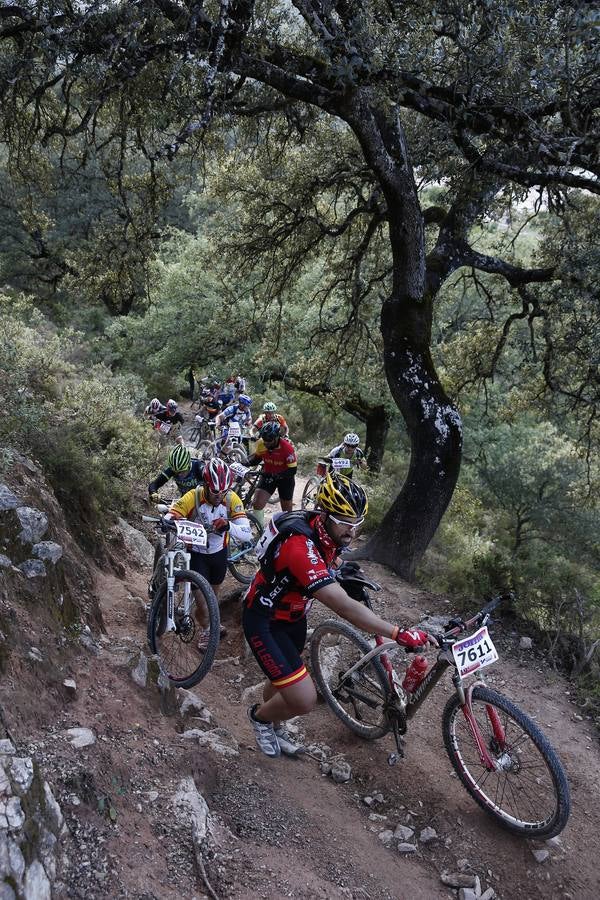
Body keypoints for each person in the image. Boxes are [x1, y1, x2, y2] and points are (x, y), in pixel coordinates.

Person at [243, 473, 434, 757]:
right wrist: (397, 633)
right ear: (325, 514)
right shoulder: (300, 545)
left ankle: (275, 722)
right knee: (304, 698)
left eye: (358, 523)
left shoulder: (323, 532)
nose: (352, 530)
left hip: (293, 619)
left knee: (280, 681)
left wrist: (342, 569)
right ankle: (260, 717)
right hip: (264, 619)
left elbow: (331, 557)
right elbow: (342, 606)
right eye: (344, 522)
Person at [165, 459, 252, 648]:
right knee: (203, 602)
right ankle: (207, 630)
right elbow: (172, 514)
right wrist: (170, 520)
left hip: (218, 554)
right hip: (197, 554)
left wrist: (229, 525)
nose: (219, 496)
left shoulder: (231, 499)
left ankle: (209, 623)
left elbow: (247, 534)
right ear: (205, 485)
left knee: (212, 599)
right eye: (214, 492)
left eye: (224, 491)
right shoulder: (193, 496)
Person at [245, 421, 297, 525]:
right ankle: (259, 530)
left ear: (277, 437)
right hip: (268, 475)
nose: (266, 443)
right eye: (264, 440)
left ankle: (286, 532)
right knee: (257, 503)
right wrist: (243, 463)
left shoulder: (287, 449)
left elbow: (292, 470)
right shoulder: (261, 443)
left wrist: (277, 476)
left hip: (285, 479)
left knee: (287, 512)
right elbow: (256, 459)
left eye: (269, 440)